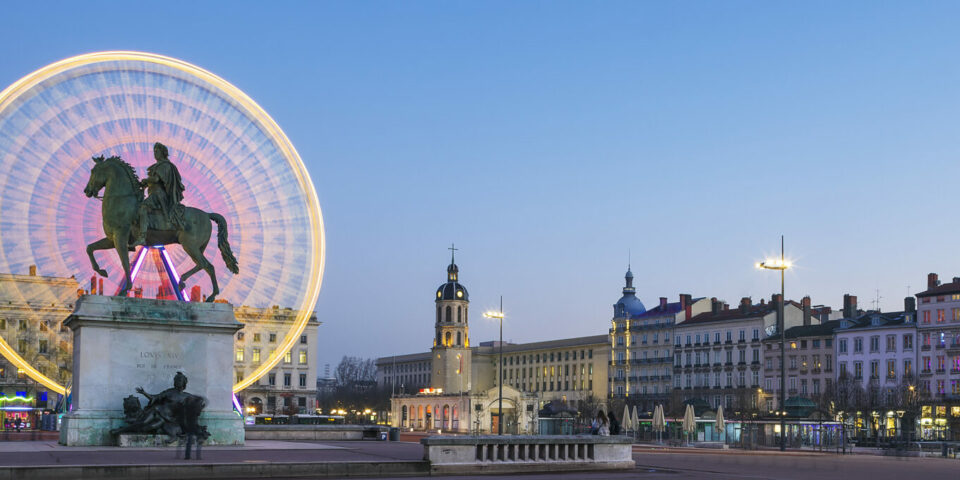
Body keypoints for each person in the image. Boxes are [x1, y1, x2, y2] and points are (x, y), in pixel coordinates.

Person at [133, 142, 186, 246]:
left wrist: (146, 180)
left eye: (157, 151)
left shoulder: (165, 165)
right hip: (153, 193)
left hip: (158, 195)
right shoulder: (158, 166)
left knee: (143, 208)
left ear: (163, 153)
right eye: (154, 151)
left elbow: (157, 179)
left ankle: (142, 236)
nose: (155, 153)